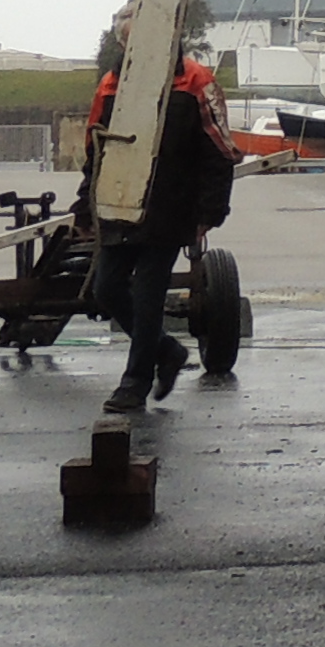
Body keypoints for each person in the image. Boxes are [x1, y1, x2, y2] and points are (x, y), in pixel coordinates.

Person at [78, 39, 238, 413]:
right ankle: (167, 351)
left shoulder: (197, 81)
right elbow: (95, 149)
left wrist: (209, 211)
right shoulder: (111, 84)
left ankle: (135, 382)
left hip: (172, 204)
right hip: (120, 200)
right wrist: (85, 205)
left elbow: (219, 150)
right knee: (107, 287)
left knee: (149, 293)